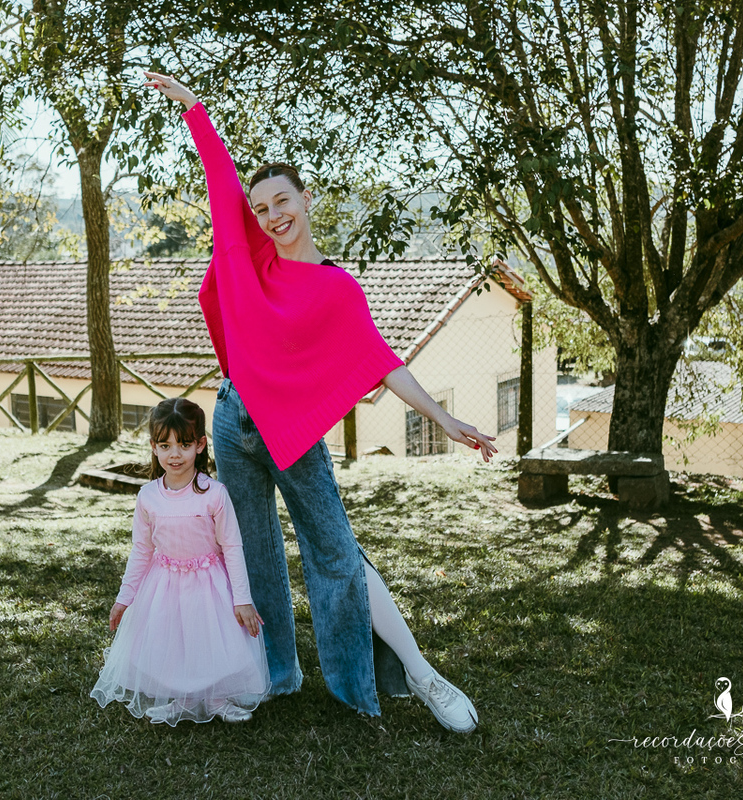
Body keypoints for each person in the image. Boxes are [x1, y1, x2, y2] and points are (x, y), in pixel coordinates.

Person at [143, 72, 498, 734]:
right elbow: (222, 190)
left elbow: (382, 363)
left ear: (306, 200)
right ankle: (275, 674)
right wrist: (196, 111)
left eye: (283, 201)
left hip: (293, 435)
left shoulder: (337, 290)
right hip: (232, 422)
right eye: (263, 209)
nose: (273, 215)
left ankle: (421, 675)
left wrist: (444, 418)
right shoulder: (254, 260)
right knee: (252, 554)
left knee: (336, 554)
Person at [90, 397, 270, 725]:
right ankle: (177, 699)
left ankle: (216, 700)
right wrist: (125, 597)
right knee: (172, 643)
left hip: (209, 584)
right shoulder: (148, 497)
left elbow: (232, 546)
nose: (175, 454)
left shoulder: (215, 494)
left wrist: (242, 599)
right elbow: (141, 550)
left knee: (209, 641)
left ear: (200, 445)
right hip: (165, 583)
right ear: (153, 447)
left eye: (184, 444)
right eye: (165, 445)